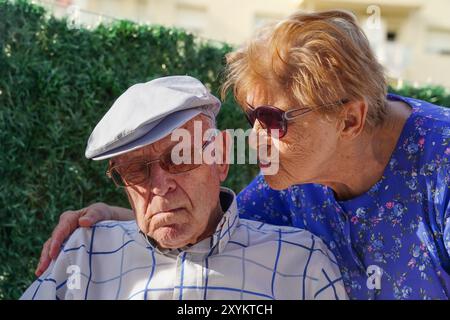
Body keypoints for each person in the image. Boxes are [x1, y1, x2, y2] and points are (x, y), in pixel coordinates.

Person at [36, 10, 450, 299]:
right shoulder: (290, 181)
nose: (252, 139)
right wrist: (120, 214)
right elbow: (218, 224)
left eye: (272, 119)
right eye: (250, 116)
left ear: (349, 121)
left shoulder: (442, 167)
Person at [22, 76, 346, 300]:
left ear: (220, 157)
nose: (160, 186)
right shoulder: (85, 254)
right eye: (136, 170)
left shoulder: (301, 264)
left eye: (181, 157)